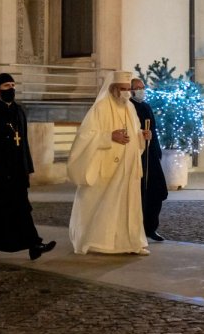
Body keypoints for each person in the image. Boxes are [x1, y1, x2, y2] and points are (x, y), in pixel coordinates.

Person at [0, 72, 55, 262]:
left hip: (16, 170)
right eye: (7, 86)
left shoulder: (18, 111)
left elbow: (23, 142)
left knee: (22, 208)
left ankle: (34, 244)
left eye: (13, 85)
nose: (11, 89)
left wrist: (27, 169)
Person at [67, 71, 150, 256]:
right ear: (113, 89)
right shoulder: (101, 108)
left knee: (128, 206)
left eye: (129, 89)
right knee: (106, 206)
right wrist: (109, 136)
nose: (127, 93)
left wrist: (142, 137)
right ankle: (99, 242)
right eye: (123, 89)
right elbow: (84, 137)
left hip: (128, 168)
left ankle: (130, 242)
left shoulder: (130, 108)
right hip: (107, 167)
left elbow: (134, 135)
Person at [129, 77, 169, 241]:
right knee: (140, 193)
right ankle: (138, 228)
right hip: (138, 155)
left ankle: (151, 227)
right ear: (131, 91)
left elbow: (153, 128)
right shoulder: (129, 107)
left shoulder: (146, 106)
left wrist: (154, 145)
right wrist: (140, 135)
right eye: (137, 88)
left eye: (142, 87)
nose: (140, 90)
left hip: (151, 154)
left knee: (157, 191)